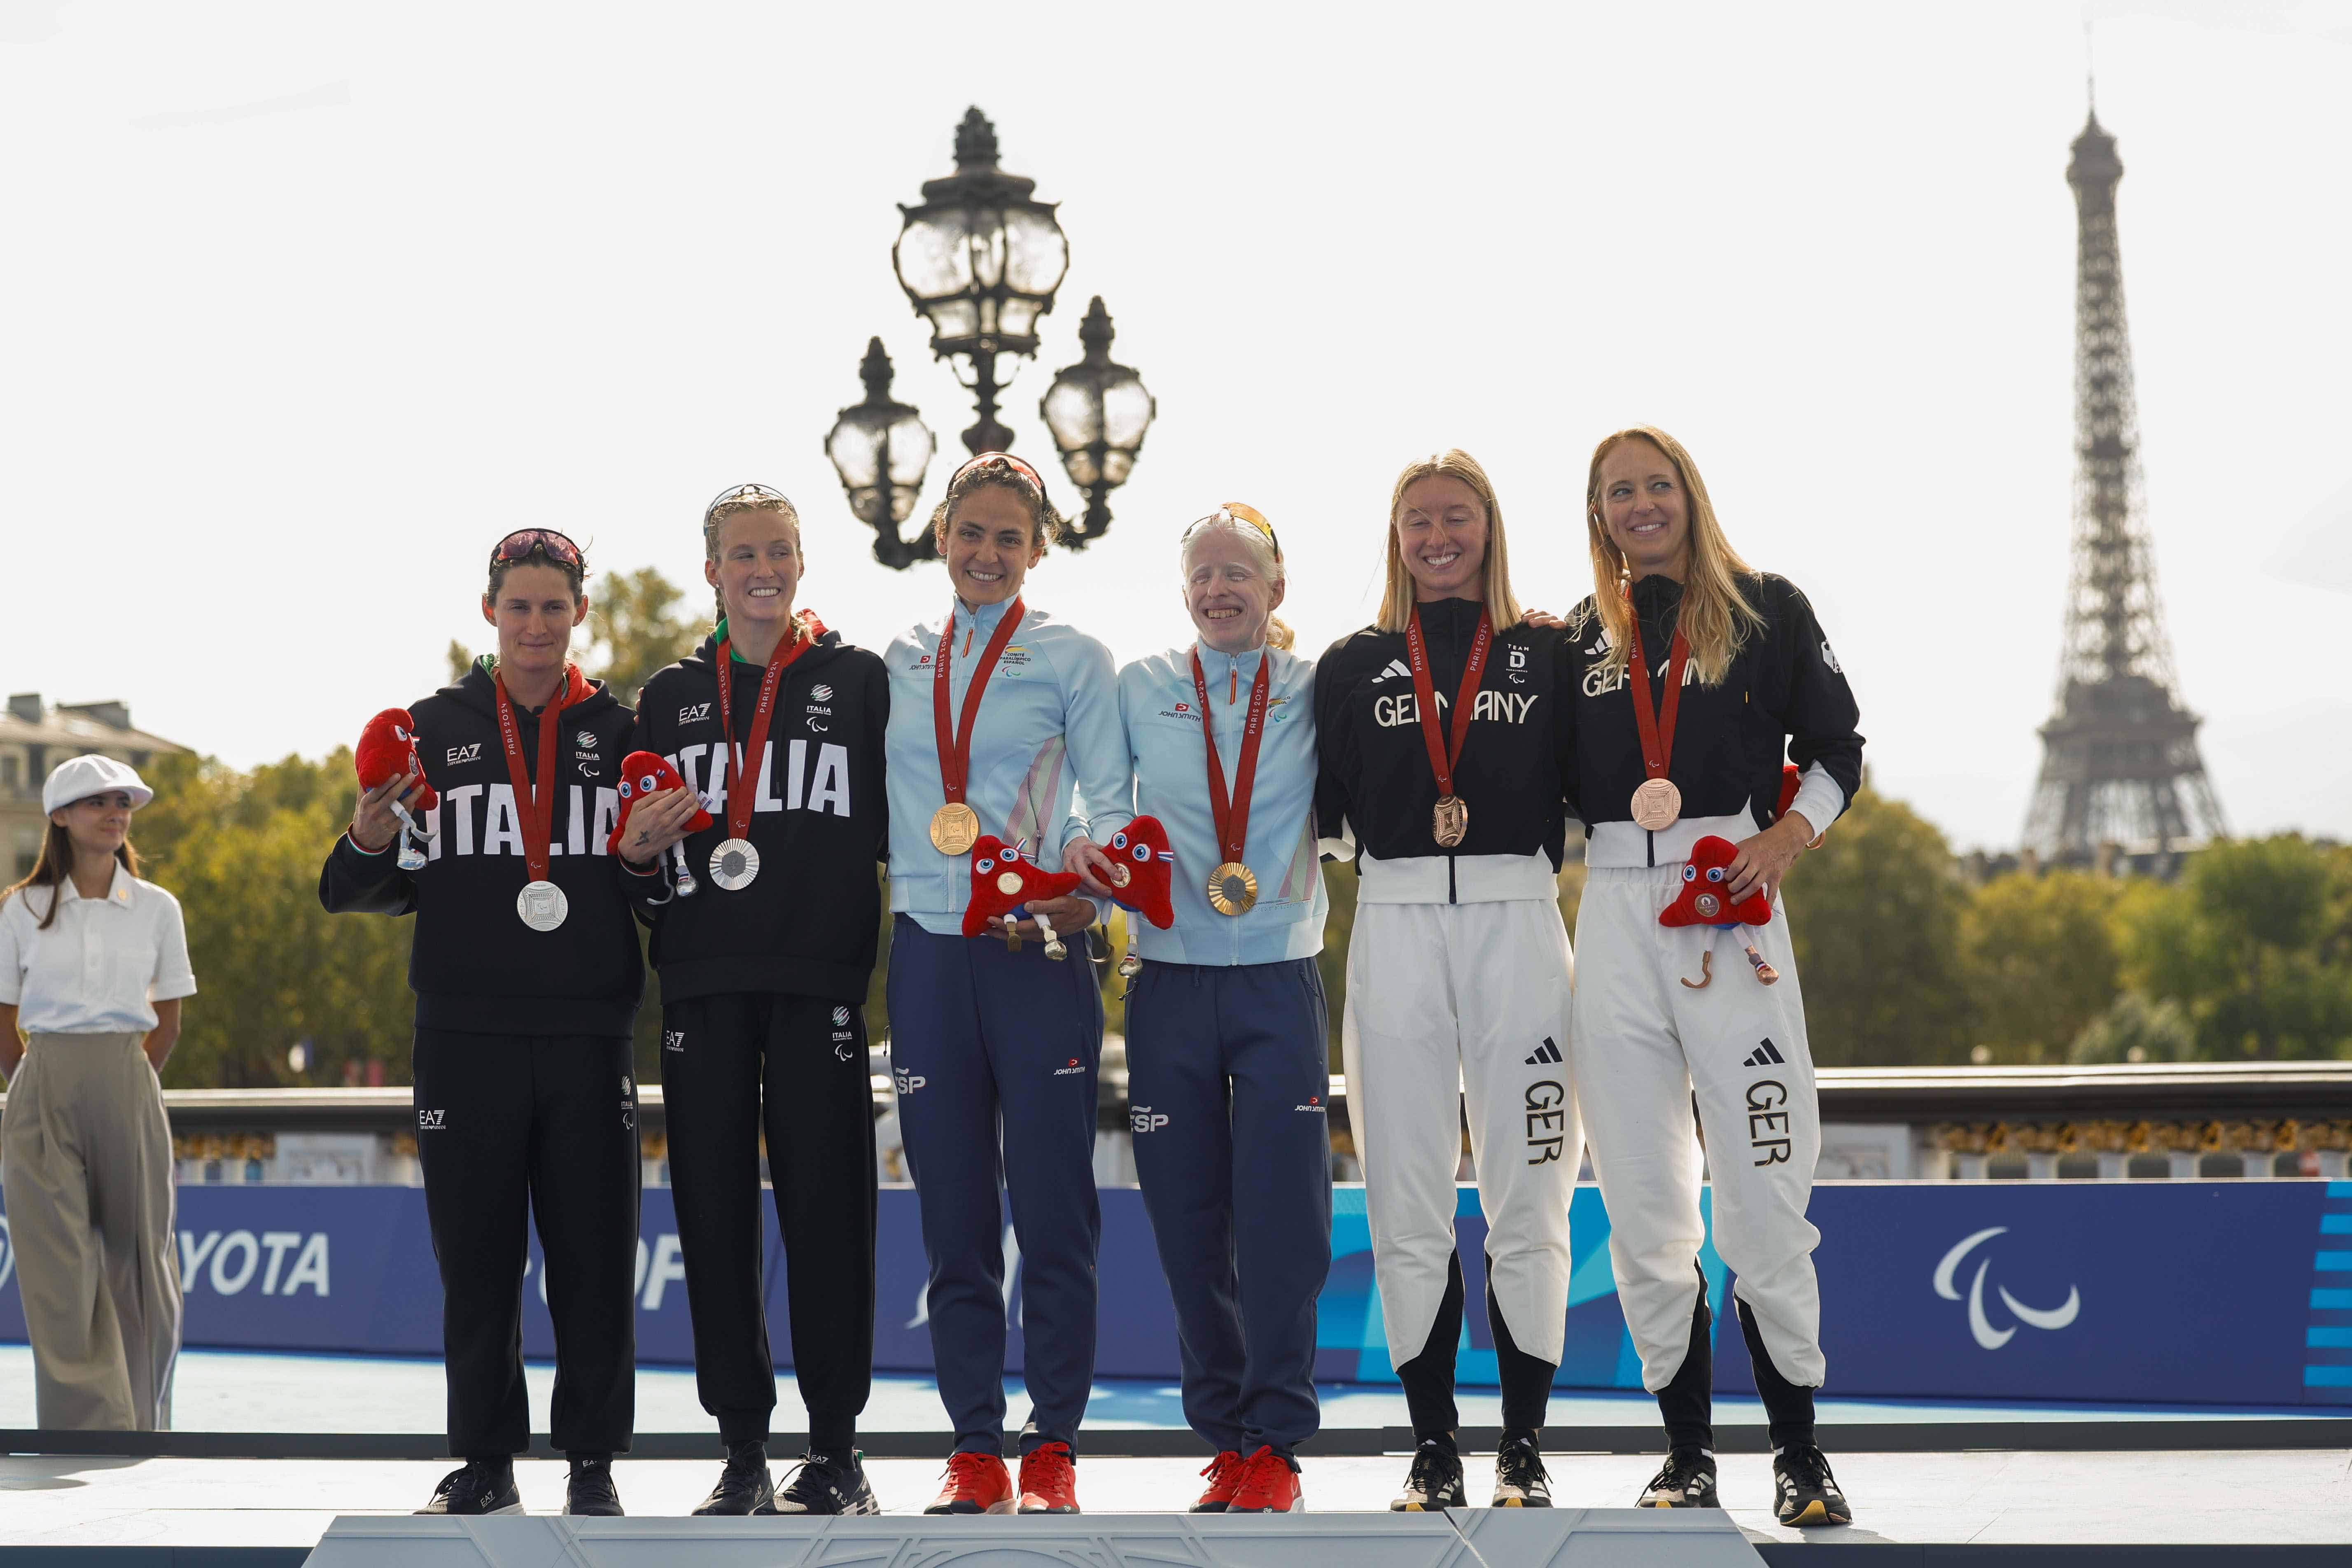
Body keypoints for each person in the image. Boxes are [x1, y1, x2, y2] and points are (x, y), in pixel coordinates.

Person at [320, 529, 658, 1517]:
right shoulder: (429, 729)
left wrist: (645, 859)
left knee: (595, 1260)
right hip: (464, 1038)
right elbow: (358, 889)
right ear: (489, 612)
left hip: (590, 1035)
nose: (536, 625)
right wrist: (369, 834)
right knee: (476, 1261)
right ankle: (484, 1459)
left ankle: (592, 1459)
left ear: (580, 613)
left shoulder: (624, 733)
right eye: (520, 606)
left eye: (554, 606)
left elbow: (661, 897)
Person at [1563, 427, 1862, 1528]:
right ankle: (1685, 1454)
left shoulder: (1768, 607)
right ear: (1599, 513)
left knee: (1765, 1197)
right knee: (1643, 1203)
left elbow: (1839, 749)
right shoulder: (1578, 638)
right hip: (1613, 917)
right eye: (1620, 492)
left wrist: (1786, 838)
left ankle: (1801, 1453)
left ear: (1689, 494)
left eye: (1658, 485)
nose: (1641, 505)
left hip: (1731, 904)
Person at [1312, 450, 1582, 1512]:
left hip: (1522, 920)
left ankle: (1523, 1443)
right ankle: (1434, 1443)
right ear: (1395, 535)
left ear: (1490, 526)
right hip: (1394, 922)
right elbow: (1316, 814)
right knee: (1405, 1194)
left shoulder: (1550, 650)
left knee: (1534, 1193)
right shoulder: (1352, 661)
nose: (1437, 536)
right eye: (1418, 518)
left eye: (1457, 515)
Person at [616, 483, 890, 1516]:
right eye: (743, 553)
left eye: (779, 549)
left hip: (821, 984)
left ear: (801, 562)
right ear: (713, 571)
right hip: (702, 984)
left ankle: (837, 1451)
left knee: (830, 1217)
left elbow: (904, 827)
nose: (762, 568)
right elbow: (639, 873)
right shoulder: (667, 696)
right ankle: (740, 1448)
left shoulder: (858, 682)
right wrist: (639, 858)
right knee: (714, 1218)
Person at [1075, 504, 1330, 1515]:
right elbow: (1103, 797)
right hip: (1168, 977)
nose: (1220, 590)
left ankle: (1278, 1442)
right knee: (1187, 1217)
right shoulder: (1141, 684)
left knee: (1283, 1220)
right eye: (1204, 575)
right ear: (1184, 589)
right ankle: (1225, 1437)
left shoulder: (1316, 685)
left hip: (1279, 973)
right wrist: (1095, 846)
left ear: (1276, 588)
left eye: (1239, 573)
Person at [882, 452, 1123, 1517]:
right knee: (955, 1218)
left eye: (1009, 538)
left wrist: (1090, 887)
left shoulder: (1075, 656)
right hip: (929, 955)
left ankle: (1055, 1443)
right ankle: (975, 1447)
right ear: (941, 536)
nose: (986, 553)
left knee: (1057, 1211)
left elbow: (1111, 802)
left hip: (1035, 947)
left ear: (1038, 549)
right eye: (970, 533)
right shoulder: (895, 657)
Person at [0, 755, 192, 1431]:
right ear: (59, 816)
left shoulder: (158, 908)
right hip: (42, 1078)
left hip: (128, 1075)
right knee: (58, 1269)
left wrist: (129, 1081)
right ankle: (86, 1430)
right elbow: (3, 1019)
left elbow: (168, 1021)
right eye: (97, 802)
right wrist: (37, 1083)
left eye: (123, 803)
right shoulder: (19, 909)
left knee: (142, 1263)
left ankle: (142, 1425)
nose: (115, 813)